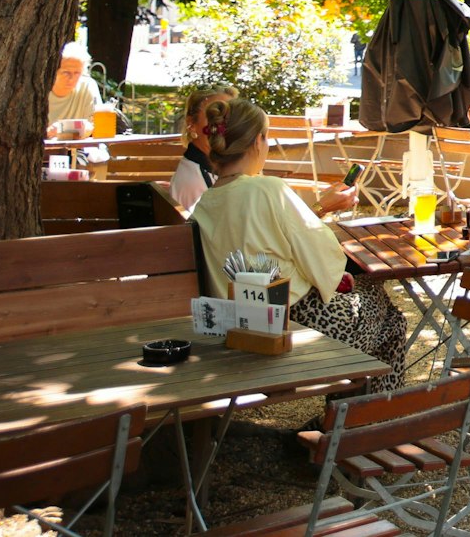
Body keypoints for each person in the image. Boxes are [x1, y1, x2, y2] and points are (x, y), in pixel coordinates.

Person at [188, 100, 406, 391]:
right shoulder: (267, 189)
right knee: (391, 318)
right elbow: (324, 258)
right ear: (257, 141)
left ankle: (352, 422)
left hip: (237, 329)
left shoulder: (205, 203)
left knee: (382, 317)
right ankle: (360, 423)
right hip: (300, 327)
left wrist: (318, 211)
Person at [169, 85, 235, 212]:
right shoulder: (194, 181)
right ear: (191, 124)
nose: (223, 124)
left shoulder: (216, 168)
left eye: (230, 117)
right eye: (213, 115)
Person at [47, 42, 102, 136]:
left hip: (78, 148)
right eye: (65, 73)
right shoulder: (38, 90)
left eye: (77, 73)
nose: (72, 79)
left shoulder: (87, 86)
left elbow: (94, 126)